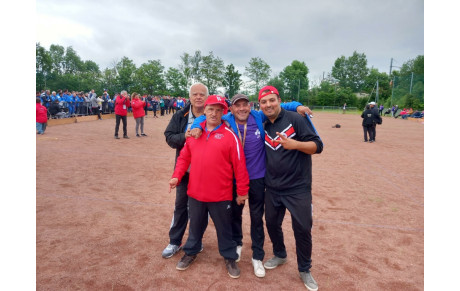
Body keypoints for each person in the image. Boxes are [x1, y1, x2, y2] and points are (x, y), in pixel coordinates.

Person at [190, 94, 312, 278]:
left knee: (257, 217)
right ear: (231, 109)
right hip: (233, 178)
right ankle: (237, 244)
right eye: (237, 105)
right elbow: (203, 117)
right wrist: (195, 126)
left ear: (250, 106)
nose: (241, 109)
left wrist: (299, 106)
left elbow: (283, 104)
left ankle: (257, 256)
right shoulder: (226, 118)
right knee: (234, 214)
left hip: (257, 177)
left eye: (245, 105)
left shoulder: (257, 116)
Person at [168, 95, 249, 279]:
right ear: (204, 110)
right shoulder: (194, 134)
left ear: (224, 112)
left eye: (219, 110)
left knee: (224, 228)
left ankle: (229, 257)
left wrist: (242, 192)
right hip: (195, 193)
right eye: (211, 109)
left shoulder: (230, 136)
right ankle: (191, 251)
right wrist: (176, 176)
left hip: (221, 195)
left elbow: (240, 165)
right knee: (195, 226)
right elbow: (184, 158)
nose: (214, 113)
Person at [258, 85, 323, 291]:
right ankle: (280, 254)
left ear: (279, 100)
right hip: (273, 187)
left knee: (302, 228)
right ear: (260, 105)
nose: (268, 105)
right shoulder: (262, 122)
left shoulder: (297, 119)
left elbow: (317, 146)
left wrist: (296, 145)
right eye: (264, 102)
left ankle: (304, 268)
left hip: (298, 188)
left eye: (272, 100)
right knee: (271, 224)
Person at [162, 83, 210, 259]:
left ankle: (196, 240)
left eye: (202, 94)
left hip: (205, 173)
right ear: (189, 97)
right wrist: (185, 136)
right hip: (185, 171)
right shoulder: (180, 115)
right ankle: (175, 241)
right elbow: (169, 136)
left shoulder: (214, 114)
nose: (198, 97)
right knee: (181, 207)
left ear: (207, 97)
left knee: (200, 209)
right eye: (195, 94)